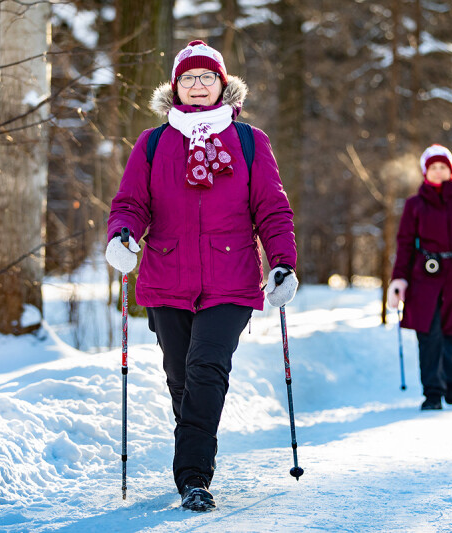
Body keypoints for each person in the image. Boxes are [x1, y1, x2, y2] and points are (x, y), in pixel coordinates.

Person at [105, 40, 297, 512]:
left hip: (230, 277)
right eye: (188, 78)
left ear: (222, 84)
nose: (197, 85)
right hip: (167, 275)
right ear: (175, 87)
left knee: (205, 369)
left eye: (206, 77)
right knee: (180, 377)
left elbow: (271, 208)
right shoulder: (153, 143)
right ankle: (196, 446)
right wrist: (123, 235)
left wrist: (282, 262)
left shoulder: (250, 141)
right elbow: (131, 203)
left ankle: (193, 476)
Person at [389, 144, 452, 410]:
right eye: (433, 167)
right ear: (425, 172)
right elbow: (405, 243)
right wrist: (399, 279)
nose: (439, 171)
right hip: (424, 275)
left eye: (443, 166)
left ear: (451, 171)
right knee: (428, 334)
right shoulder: (414, 204)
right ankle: (432, 392)